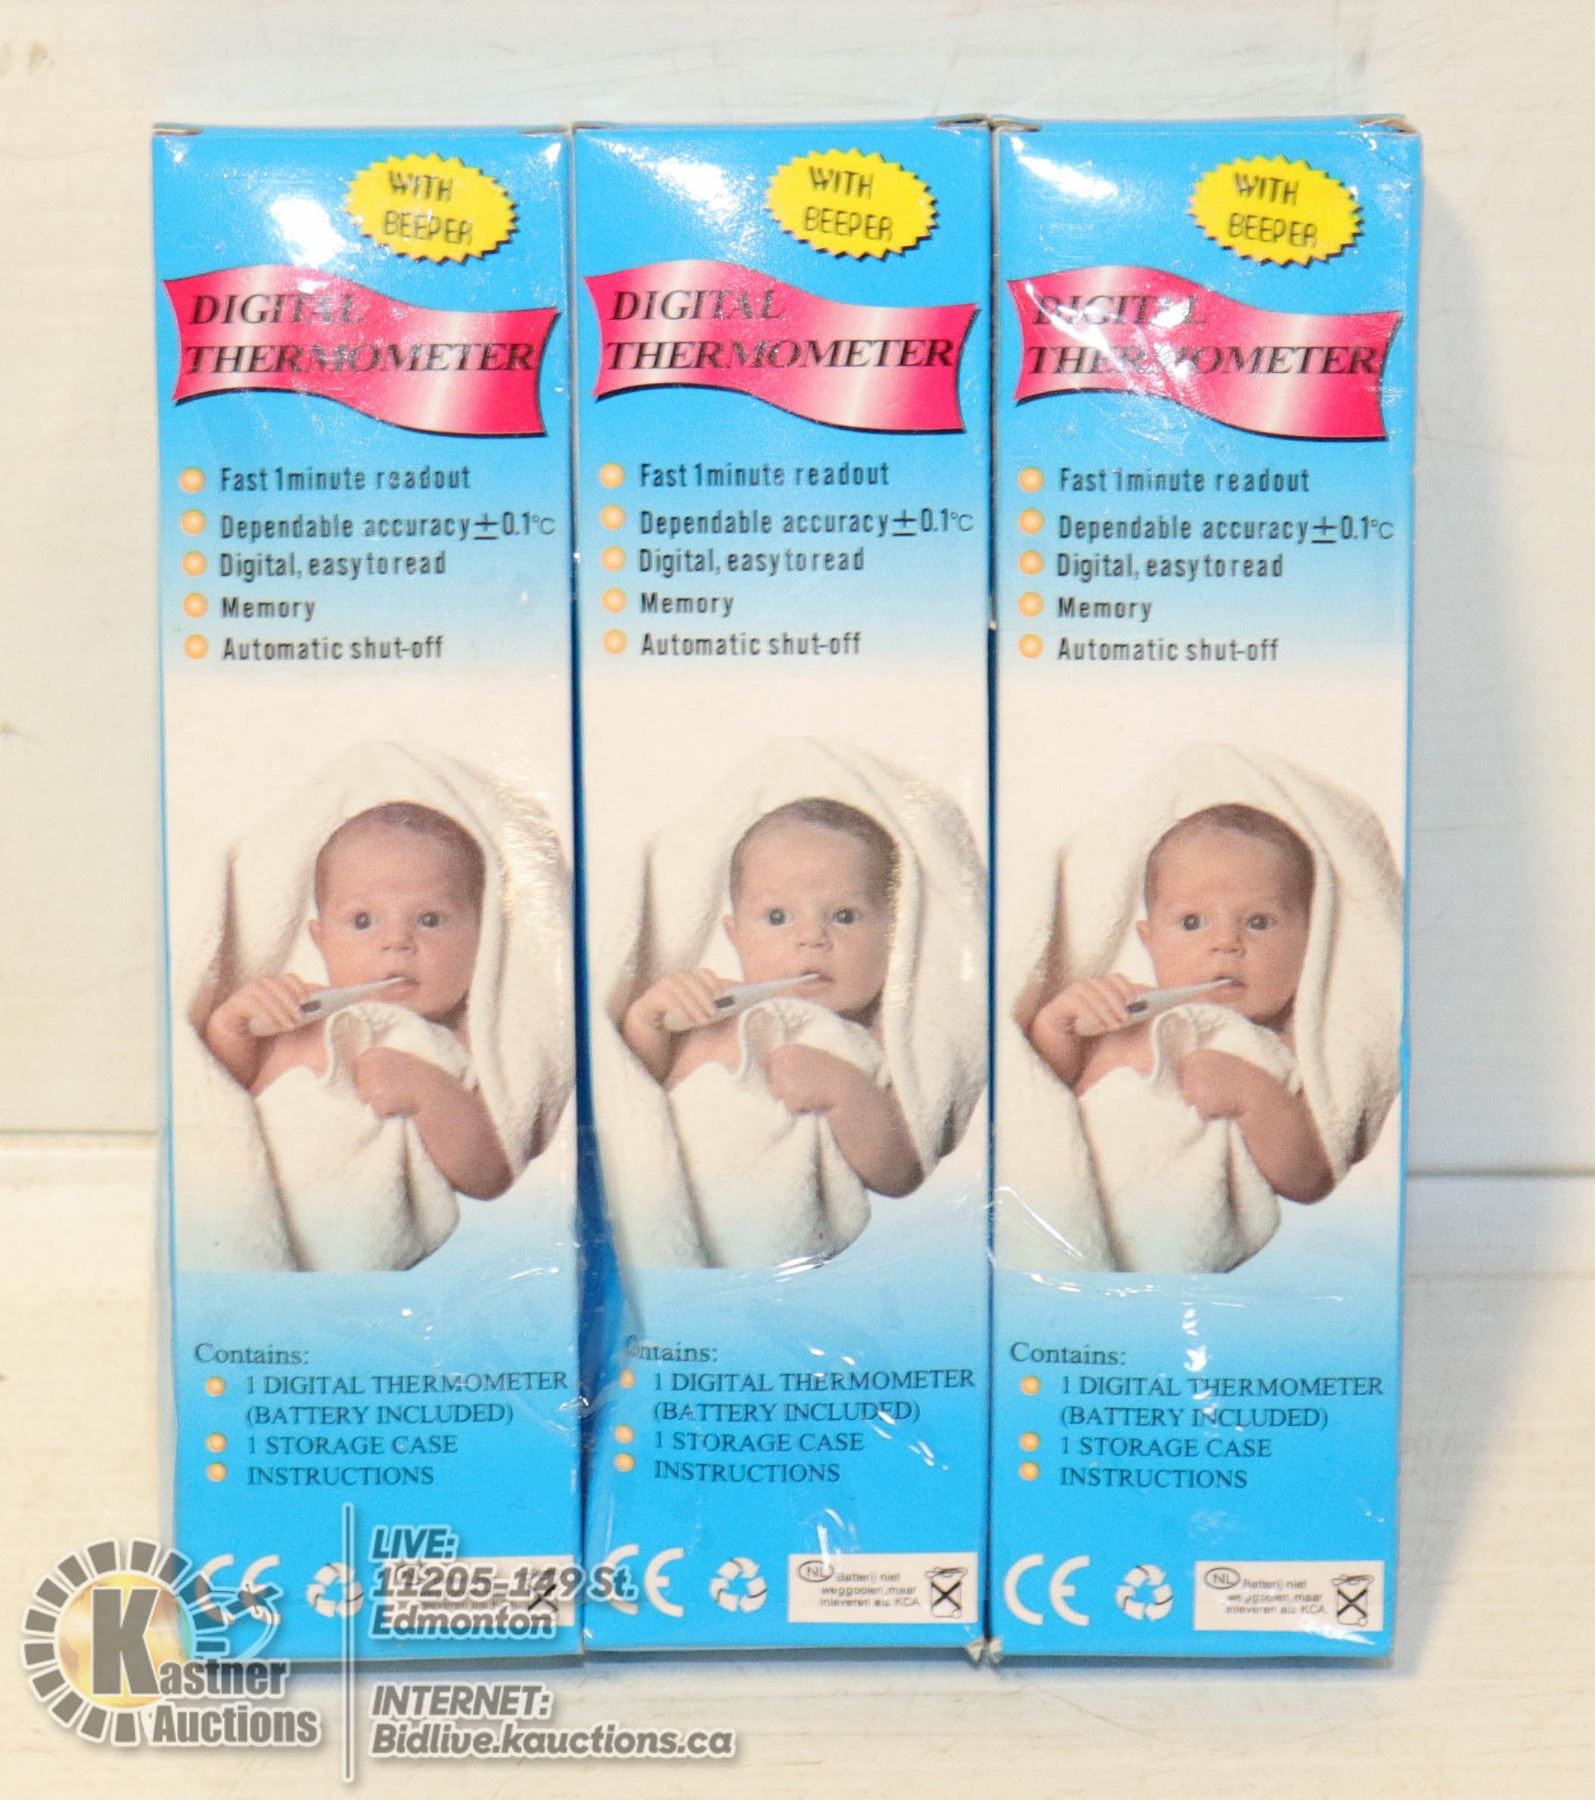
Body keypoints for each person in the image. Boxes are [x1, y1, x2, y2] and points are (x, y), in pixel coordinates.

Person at [1027, 803, 1333, 1204]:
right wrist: (1056, 1026)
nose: (1225, 942)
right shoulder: (1128, 1011)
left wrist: (1255, 1098)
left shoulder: (1285, 1049)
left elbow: (1311, 1180)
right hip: (1076, 1201)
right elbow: (1038, 1095)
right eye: (1192, 922)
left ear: (1309, 940)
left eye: (1258, 922)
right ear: (1150, 941)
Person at [203, 802, 511, 1199]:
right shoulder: (302, 1009)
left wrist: (432, 1096)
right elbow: (216, 1096)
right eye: (363, 921)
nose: (397, 941)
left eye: (430, 919)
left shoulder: (464, 1045)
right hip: (258, 1201)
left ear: (481, 938)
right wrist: (230, 1029)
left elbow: (491, 1176)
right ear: (322, 941)